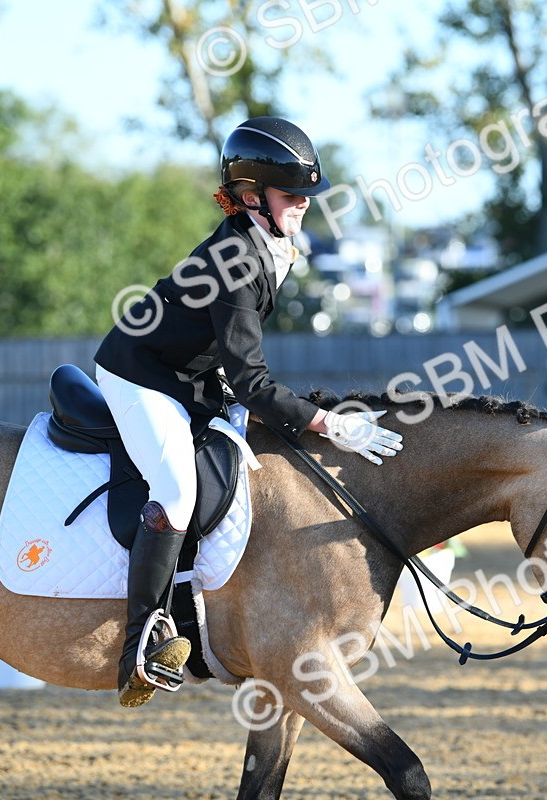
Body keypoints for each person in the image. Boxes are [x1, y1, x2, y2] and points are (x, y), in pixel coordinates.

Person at [93, 117, 404, 708]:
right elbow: (252, 379)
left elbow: (236, 368)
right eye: (293, 196)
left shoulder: (272, 243)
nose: (305, 206)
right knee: (177, 489)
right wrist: (327, 423)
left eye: (309, 197)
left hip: (190, 373)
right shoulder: (233, 260)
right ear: (253, 196)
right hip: (140, 374)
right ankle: (141, 643)